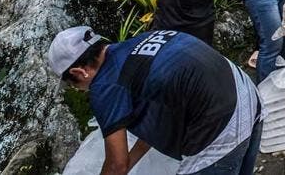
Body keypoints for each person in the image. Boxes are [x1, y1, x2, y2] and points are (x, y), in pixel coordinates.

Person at [48, 27, 263, 174]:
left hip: (221, 126)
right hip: (247, 94)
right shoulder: (140, 42)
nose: (77, 90)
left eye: (72, 84)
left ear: (79, 72)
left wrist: (121, 168)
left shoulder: (104, 88)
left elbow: (117, 166)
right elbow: (145, 139)